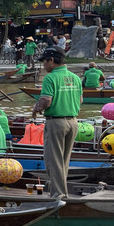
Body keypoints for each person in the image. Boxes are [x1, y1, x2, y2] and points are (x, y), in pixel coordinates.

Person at [31, 48, 82, 199]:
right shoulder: (75, 77)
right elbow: (80, 101)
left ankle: (59, 194)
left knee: (53, 160)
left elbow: (46, 100)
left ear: (51, 61)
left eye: (44, 62)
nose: (44, 66)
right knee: (64, 160)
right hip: (73, 122)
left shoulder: (50, 78)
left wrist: (36, 108)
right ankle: (56, 189)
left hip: (56, 122)